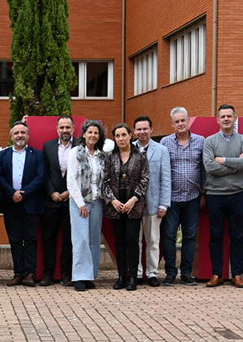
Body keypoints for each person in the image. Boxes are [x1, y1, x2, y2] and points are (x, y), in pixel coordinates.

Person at [202, 104, 243, 288]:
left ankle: (237, 274)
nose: (226, 119)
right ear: (218, 119)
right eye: (222, 116)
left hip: (238, 194)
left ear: (235, 118)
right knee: (216, 235)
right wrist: (235, 165)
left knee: (238, 235)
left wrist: (223, 160)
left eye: (229, 116)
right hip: (215, 195)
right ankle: (217, 273)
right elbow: (209, 167)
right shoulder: (210, 141)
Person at [0, 121, 45, 286]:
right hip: (10, 204)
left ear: (28, 136)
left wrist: (23, 194)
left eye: (23, 132)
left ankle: (30, 273)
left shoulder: (37, 155)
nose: (20, 135)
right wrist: (12, 193)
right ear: (11, 136)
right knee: (14, 239)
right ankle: (18, 273)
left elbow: (40, 177)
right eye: (16, 133)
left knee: (31, 239)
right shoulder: (2, 156)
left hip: (30, 203)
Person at [161, 107, 205, 286]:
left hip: (193, 197)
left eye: (183, 120)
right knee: (169, 235)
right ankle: (170, 272)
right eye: (176, 121)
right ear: (172, 124)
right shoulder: (165, 142)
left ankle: (186, 273)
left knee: (190, 236)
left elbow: (204, 169)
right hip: (171, 198)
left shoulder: (201, 141)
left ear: (188, 121)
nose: (180, 124)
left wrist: (204, 193)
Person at [104, 123, 150, 291]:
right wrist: (113, 200)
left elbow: (145, 179)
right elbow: (104, 182)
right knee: (120, 242)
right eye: (117, 136)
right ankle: (121, 276)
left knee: (132, 241)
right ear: (114, 138)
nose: (121, 138)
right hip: (115, 205)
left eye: (124, 135)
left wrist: (134, 199)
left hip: (133, 205)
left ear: (130, 135)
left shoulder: (141, 156)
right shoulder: (109, 157)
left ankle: (133, 277)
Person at [67, 120, 107, 291]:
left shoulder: (101, 155)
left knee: (93, 239)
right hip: (79, 203)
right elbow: (71, 180)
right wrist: (81, 203)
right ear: (83, 134)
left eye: (96, 133)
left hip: (97, 201)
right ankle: (79, 277)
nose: (93, 135)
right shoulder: (76, 152)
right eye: (90, 132)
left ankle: (90, 275)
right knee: (81, 239)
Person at [133, 116, 170, 286]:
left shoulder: (161, 150)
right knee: (136, 240)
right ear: (134, 131)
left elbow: (165, 178)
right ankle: (138, 273)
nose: (142, 132)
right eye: (139, 129)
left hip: (154, 203)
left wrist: (164, 203)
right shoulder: (128, 148)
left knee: (153, 240)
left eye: (145, 129)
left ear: (151, 130)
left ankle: (152, 273)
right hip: (133, 204)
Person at [41, 115, 76, 286]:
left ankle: (66, 274)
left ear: (73, 129)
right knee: (49, 238)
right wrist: (51, 192)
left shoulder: (81, 147)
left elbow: (83, 173)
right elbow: (44, 173)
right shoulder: (47, 147)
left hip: (72, 201)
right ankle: (48, 274)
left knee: (69, 239)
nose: (65, 131)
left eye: (68, 127)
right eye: (62, 128)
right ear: (57, 129)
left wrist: (71, 191)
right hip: (51, 201)